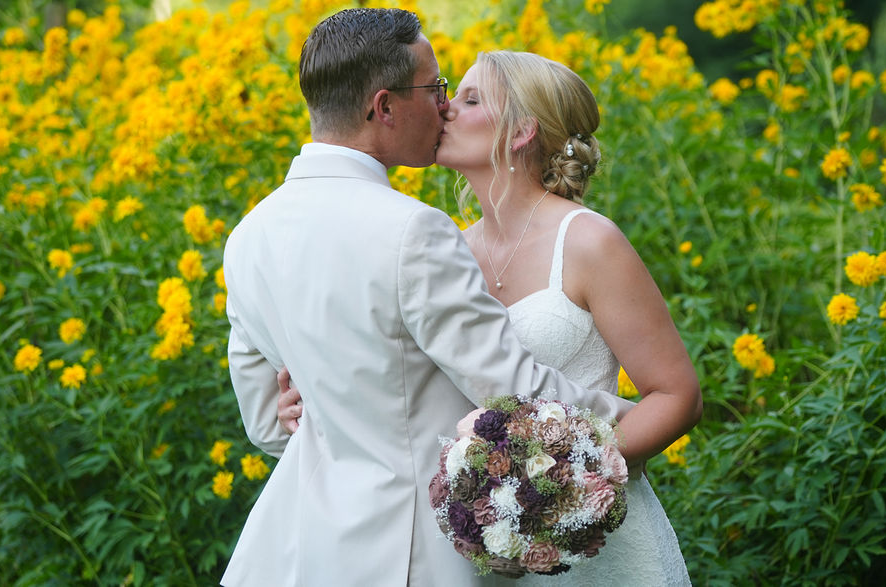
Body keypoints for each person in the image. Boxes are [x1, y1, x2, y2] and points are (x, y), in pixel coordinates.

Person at [220, 10, 636, 587]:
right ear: (384, 107)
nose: (443, 105)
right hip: (410, 548)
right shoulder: (412, 230)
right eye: (435, 88)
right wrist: (638, 422)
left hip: (299, 547)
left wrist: (331, 396)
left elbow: (267, 422)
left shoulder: (247, 237)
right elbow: (511, 387)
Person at [279, 50, 702, 584]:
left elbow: (676, 396)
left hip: (596, 541)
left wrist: (564, 478)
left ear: (523, 130)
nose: (445, 107)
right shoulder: (443, 251)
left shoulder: (589, 241)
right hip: (486, 550)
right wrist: (303, 394)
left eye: (471, 99)